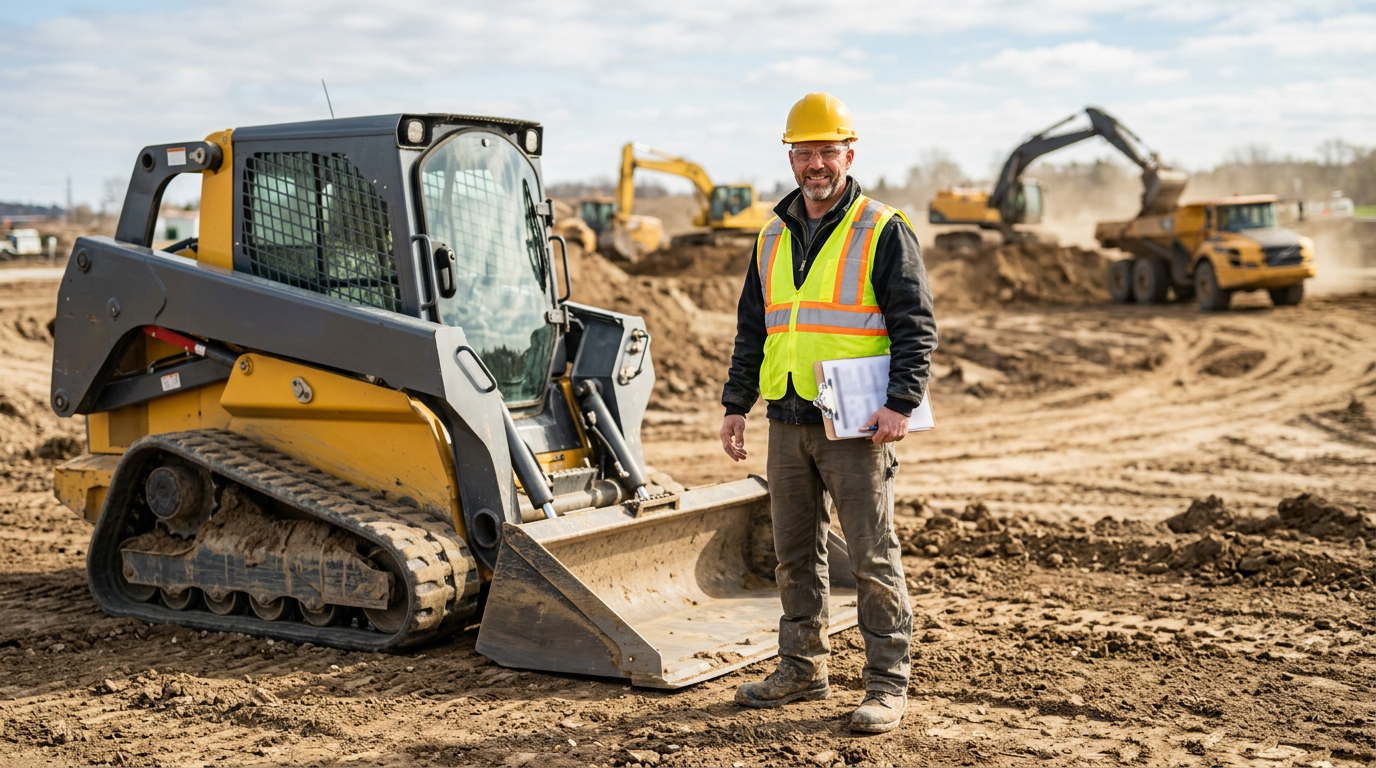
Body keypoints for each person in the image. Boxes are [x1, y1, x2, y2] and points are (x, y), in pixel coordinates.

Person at [719, 92, 937, 733]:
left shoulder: (882, 227)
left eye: (827, 151)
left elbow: (915, 325)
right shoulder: (769, 235)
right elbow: (753, 328)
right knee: (793, 555)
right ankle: (802, 668)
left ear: (849, 154)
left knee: (871, 556)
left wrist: (901, 402)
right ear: (790, 158)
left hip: (856, 422)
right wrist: (736, 404)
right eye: (804, 152)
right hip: (786, 419)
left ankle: (887, 683)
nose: (816, 163)